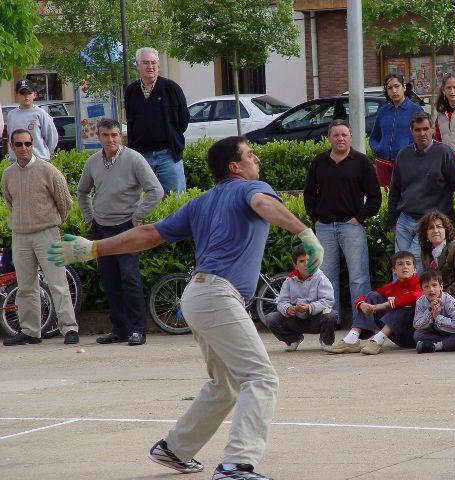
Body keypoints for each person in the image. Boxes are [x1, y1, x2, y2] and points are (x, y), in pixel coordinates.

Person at [48, 135, 324, 480]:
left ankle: (174, 449)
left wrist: (95, 248)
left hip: (198, 296)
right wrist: (305, 232)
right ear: (235, 167)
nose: (257, 160)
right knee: (261, 377)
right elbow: (262, 203)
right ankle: (236, 466)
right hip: (218, 297)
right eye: (250, 155)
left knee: (226, 384)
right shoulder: (252, 189)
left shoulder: (201, 202)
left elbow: (150, 233)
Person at [77, 118, 163, 346]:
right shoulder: (92, 162)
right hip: (101, 227)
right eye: (106, 135)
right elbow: (82, 192)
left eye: (114, 135)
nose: (110, 140)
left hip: (126, 227)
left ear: (120, 136)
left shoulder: (134, 159)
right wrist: (89, 218)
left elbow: (156, 190)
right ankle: (120, 329)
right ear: (99, 137)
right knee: (109, 279)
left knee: (129, 278)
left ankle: (138, 330)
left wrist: (138, 215)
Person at [2, 129, 78, 346]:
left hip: (47, 233)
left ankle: (69, 328)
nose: (24, 148)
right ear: (12, 147)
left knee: (58, 283)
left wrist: (52, 221)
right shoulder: (8, 174)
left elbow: (65, 202)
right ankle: (30, 331)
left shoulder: (48, 170)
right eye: (18, 144)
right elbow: (10, 201)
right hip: (20, 235)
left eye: (27, 144)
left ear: (33, 144)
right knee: (26, 286)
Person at [304, 119, 381, 324]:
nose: (340, 138)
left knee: (359, 278)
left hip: (351, 227)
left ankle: (362, 322)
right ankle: (332, 322)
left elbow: (375, 197)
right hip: (324, 228)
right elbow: (309, 193)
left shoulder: (361, 162)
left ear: (350, 137)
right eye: (336, 135)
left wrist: (358, 218)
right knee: (327, 279)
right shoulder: (319, 162)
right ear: (329, 138)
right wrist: (315, 219)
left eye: (344, 134)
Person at [389, 112, 455, 275]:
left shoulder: (445, 153)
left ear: (433, 129)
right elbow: (395, 190)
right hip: (405, 220)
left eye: (426, 129)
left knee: (413, 269)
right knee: (399, 269)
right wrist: (392, 222)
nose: (422, 133)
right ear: (411, 131)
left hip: (429, 223)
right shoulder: (403, 155)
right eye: (418, 130)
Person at [323, 251, 422, 355]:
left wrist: (385, 305)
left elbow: (414, 297)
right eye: (400, 264)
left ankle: (377, 341)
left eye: (408, 263)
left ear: (414, 269)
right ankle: (351, 339)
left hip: (414, 336)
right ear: (394, 270)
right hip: (397, 336)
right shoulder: (391, 288)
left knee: (405, 306)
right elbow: (365, 297)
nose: (405, 266)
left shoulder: (421, 284)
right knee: (372, 296)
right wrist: (362, 304)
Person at [124, 47, 190, 195]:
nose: (150, 66)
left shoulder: (171, 88)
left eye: (153, 62)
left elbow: (184, 119)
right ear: (138, 65)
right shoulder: (131, 91)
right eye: (146, 62)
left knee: (175, 198)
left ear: (158, 65)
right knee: (144, 200)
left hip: (168, 155)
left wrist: (172, 136)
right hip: (142, 156)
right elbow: (131, 121)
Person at [264, 245, 336, 351]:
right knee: (270, 318)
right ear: (295, 265)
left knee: (331, 315)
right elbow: (281, 302)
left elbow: (328, 301)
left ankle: (326, 341)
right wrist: (287, 309)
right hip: (295, 320)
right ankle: (292, 339)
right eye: (302, 261)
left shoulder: (321, 278)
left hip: (316, 319)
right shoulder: (289, 281)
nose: (306, 264)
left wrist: (309, 307)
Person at [369, 73, 422, 187]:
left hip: (407, 165)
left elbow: (424, 139)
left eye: (396, 86)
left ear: (404, 87)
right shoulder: (383, 112)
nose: (394, 90)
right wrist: (379, 148)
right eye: (389, 88)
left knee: (406, 196)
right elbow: (373, 138)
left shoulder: (416, 110)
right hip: (383, 165)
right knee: (385, 196)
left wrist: (410, 154)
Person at [6, 79, 58, 163]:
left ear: (34, 95)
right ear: (16, 95)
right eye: (22, 93)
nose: (26, 96)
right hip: (16, 163)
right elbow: (10, 138)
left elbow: (52, 138)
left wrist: (44, 155)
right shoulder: (11, 115)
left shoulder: (41, 114)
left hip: (38, 161)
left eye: (29, 93)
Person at [413, 269, 455, 354]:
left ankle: (435, 346)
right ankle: (448, 344)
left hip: (452, 332)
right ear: (422, 289)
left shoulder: (449, 301)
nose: (431, 289)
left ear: (441, 286)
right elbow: (417, 324)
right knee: (418, 335)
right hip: (436, 334)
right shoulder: (420, 302)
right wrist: (430, 312)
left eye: (434, 285)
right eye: (426, 287)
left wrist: (437, 318)